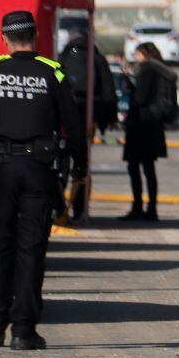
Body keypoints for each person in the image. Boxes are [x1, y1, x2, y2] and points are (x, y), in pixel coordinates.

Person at [0, 11, 87, 349]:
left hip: (1, 170)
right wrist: (80, 166)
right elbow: (74, 128)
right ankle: (23, 330)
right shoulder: (52, 72)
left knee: (1, 246)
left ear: (4, 38)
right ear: (36, 36)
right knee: (31, 248)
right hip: (38, 169)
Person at [56, 34, 117, 222]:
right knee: (82, 164)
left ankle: (58, 209)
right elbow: (108, 92)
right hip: (88, 117)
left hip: (64, 118)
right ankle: (79, 209)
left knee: (61, 163)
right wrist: (107, 120)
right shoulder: (97, 59)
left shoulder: (63, 57)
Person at [120, 42, 176, 222]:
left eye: (137, 54)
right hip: (153, 125)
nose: (135, 57)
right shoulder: (161, 70)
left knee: (134, 167)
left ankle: (138, 207)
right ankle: (151, 208)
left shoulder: (146, 70)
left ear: (144, 54)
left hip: (141, 124)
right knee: (149, 169)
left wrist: (127, 79)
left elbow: (140, 97)